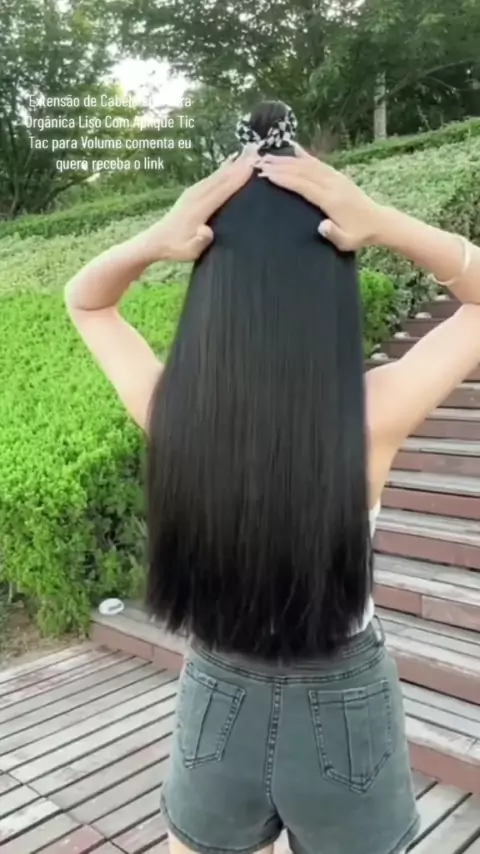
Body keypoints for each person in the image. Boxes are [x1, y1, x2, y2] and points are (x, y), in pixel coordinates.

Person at [65, 100, 480, 854]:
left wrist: (159, 237)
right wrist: (379, 219)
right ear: (332, 284)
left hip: (217, 687)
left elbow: (87, 302)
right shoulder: (369, 412)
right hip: (344, 702)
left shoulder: (172, 409)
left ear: (211, 290)